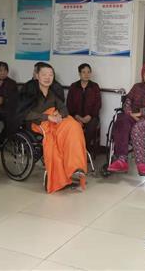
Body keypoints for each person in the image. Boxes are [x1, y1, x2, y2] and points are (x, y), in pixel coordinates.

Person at [22, 63, 87, 193]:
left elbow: (63, 108)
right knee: (53, 139)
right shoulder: (28, 91)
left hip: (55, 119)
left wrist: (59, 114)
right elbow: (25, 113)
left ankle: (76, 167)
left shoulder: (53, 92)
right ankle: (60, 178)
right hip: (38, 123)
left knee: (74, 125)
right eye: (44, 74)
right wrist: (47, 117)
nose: (48, 77)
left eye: (51, 74)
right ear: (37, 75)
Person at [107, 58, 145, 176]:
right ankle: (121, 160)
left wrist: (140, 113)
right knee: (121, 120)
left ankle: (141, 164)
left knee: (138, 128)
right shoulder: (136, 87)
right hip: (132, 117)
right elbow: (127, 102)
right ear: (142, 76)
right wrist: (129, 113)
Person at [66, 63, 102, 156]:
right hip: (75, 116)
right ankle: (74, 151)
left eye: (88, 72)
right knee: (72, 126)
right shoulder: (74, 86)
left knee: (90, 127)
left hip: (91, 117)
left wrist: (90, 116)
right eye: (84, 72)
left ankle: (85, 151)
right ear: (79, 73)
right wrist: (77, 116)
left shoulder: (94, 86)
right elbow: (69, 104)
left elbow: (98, 104)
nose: (86, 74)